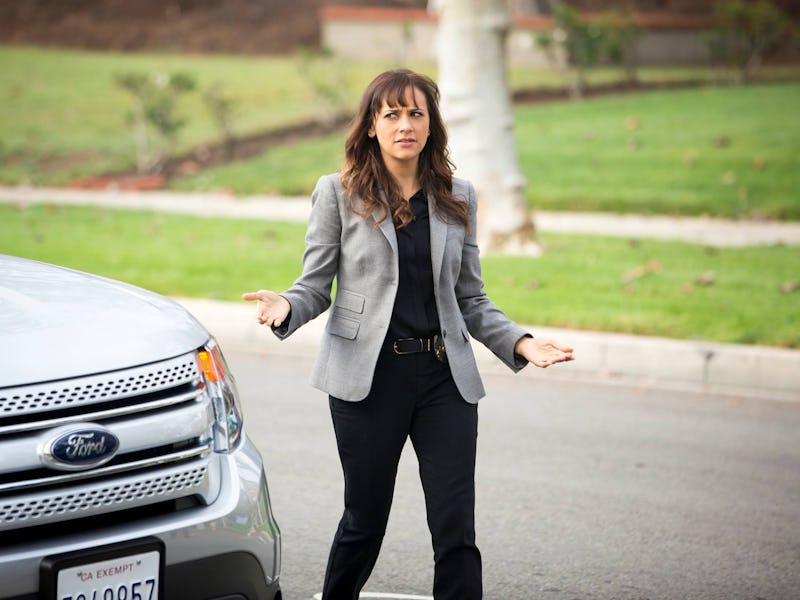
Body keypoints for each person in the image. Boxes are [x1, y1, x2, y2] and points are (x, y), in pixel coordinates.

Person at [243, 68, 574, 600]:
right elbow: (315, 286)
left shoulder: (457, 196)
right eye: (391, 114)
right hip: (369, 381)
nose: (405, 125)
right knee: (364, 522)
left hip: (444, 379)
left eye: (416, 113)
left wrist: (522, 343)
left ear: (430, 125)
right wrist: (285, 306)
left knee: (455, 528)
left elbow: (470, 297)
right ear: (371, 126)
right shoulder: (338, 193)